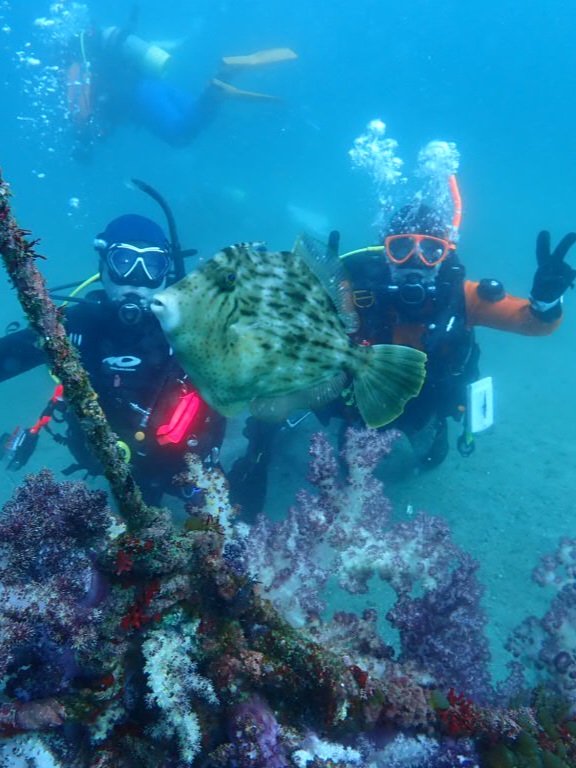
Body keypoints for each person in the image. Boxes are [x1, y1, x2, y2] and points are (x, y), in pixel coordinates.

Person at [229, 177, 576, 517]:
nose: (415, 261)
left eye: (431, 250)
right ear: (385, 251)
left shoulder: (464, 296)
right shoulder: (356, 289)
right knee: (351, 470)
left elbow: (531, 323)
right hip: (363, 403)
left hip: (428, 402)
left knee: (430, 460)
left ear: (445, 253)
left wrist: (546, 302)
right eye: (401, 247)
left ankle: (429, 433)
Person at [0, 213, 225, 506]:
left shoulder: (190, 329)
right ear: (103, 267)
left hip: (180, 465)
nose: (137, 278)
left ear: (166, 274)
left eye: (152, 265)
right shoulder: (73, 327)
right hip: (100, 460)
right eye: (123, 261)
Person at [65, 22, 297, 161]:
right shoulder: (97, 53)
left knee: (180, 136)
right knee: (195, 114)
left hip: (138, 98)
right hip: (150, 85)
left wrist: (82, 136)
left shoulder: (74, 66)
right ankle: (223, 78)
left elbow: (82, 112)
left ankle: (220, 83)